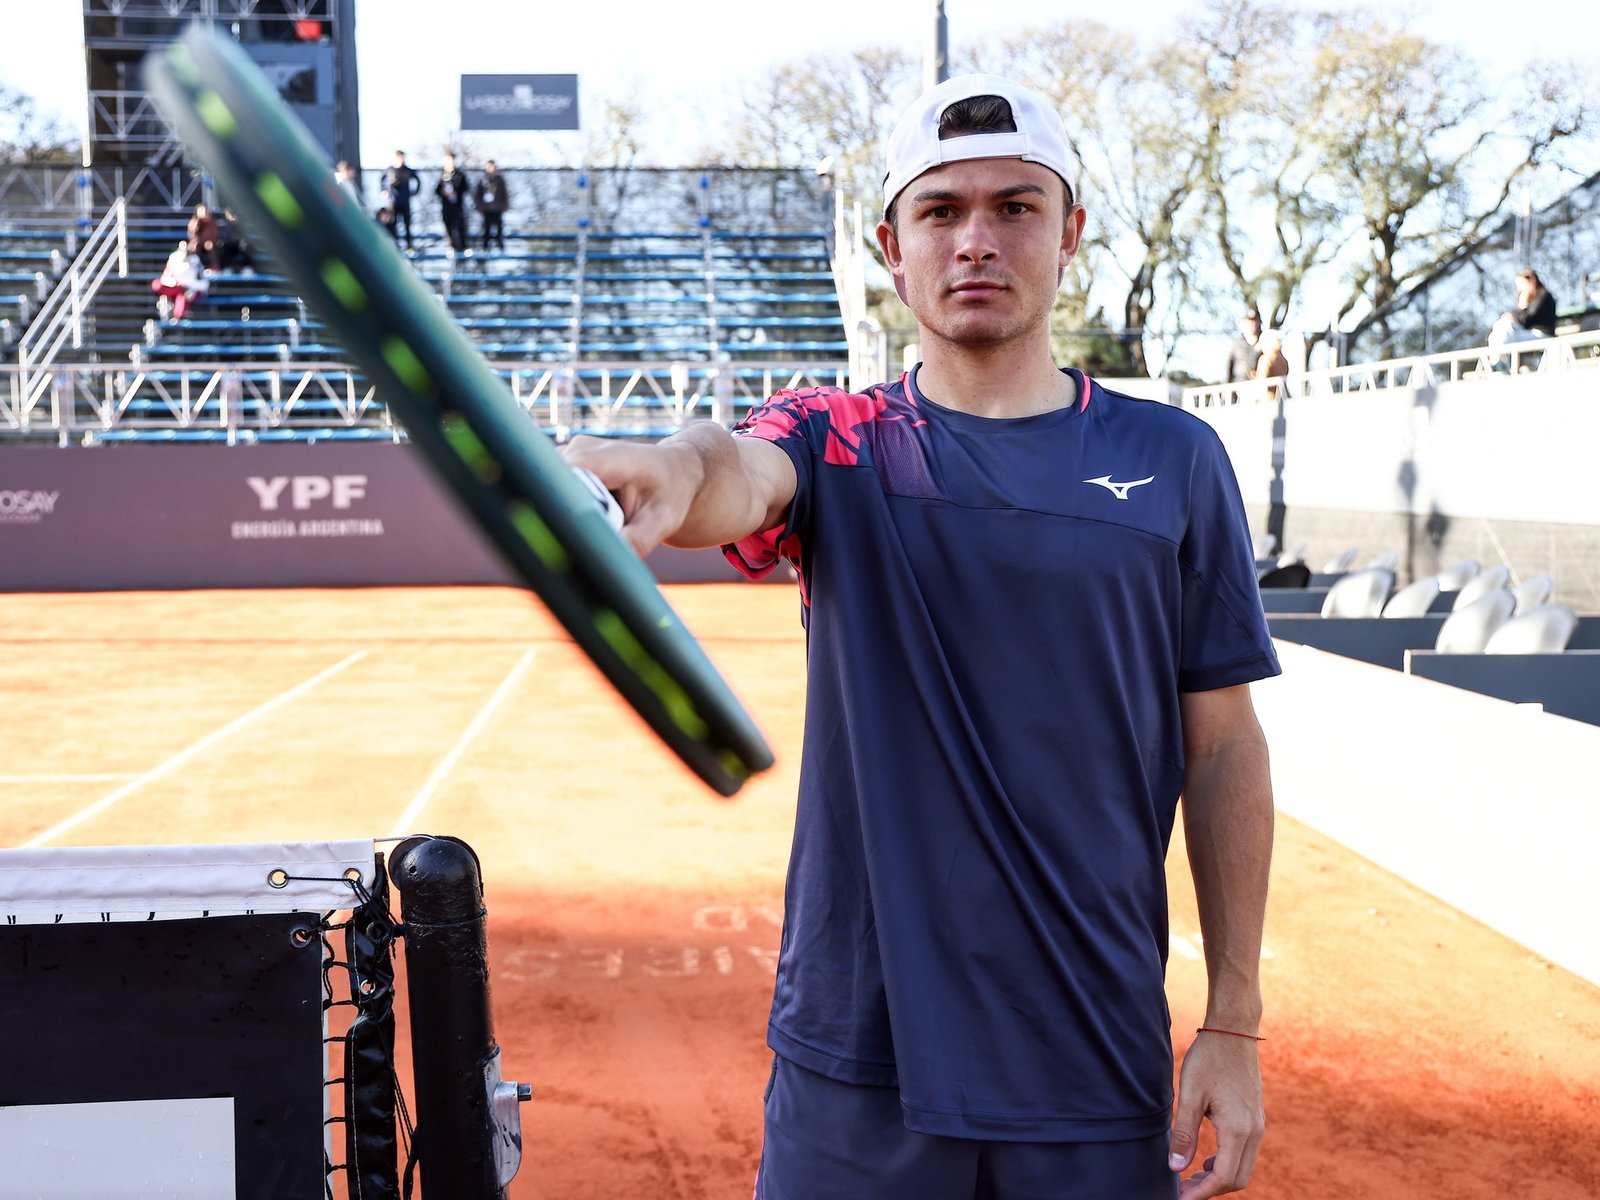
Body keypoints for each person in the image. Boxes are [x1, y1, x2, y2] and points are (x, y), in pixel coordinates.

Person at [563, 73, 1277, 1200]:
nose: (975, 240)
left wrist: (1232, 1023)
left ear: (1070, 232)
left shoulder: (1177, 459)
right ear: (893, 249)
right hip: (857, 1061)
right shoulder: (837, 440)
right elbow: (731, 470)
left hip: (1090, 1057)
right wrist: (665, 470)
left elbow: (1224, 744)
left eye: (1014, 207)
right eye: (940, 213)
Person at [1489, 267, 1558, 346]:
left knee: (1507, 335)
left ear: (1532, 280)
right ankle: (1496, 356)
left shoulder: (1543, 296)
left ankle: (1498, 357)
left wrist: (1522, 307)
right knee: (1501, 326)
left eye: (1520, 285)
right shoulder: (1530, 298)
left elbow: (1525, 320)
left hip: (1541, 335)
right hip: (1527, 333)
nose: (1519, 290)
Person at [149, 240, 207, 322]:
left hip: (191, 289)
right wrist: (173, 283)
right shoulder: (174, 258)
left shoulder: (195, 261)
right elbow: (165, 277)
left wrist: (189, 286)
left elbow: (203, 283)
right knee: (157, 284)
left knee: (184, 296)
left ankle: (177, 317)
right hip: (175, 286)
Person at [381, 150, 419, 250]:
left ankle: (409, 245)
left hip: (405, 201)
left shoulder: (408, 170)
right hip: (393, 201)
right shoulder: (389, 170)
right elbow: (382, 180)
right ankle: (395, 245)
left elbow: (418, 180)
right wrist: (384, 191)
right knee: (393, 224)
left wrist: (414, 192)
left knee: (407, 224)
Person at [436, 152, 470, 255]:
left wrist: (456, 192)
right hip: (446, 206)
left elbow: (466, 188)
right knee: (448, 226)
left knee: (460, 225)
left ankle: (464, 246)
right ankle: (451, 246)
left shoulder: (460, 175)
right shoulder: (442, 176)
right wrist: (444, 192)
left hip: (457, 206)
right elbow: (437, 191)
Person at [473, 159, 509, 252]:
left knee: (499, 227)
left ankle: (500, 245)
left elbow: (504, 193)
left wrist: (504, 205)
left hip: (497, 208)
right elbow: (478, 195)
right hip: (487, 209)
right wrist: (480, 206)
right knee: (486, 228)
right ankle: (485, 247)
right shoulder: (482, 179)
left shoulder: (499, 179)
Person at [1224, 309, 1262, 382]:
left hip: (1259, 384)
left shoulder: (1265, 342)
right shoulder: (1236, 344)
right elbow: (1229, 365)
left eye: (1254, 321)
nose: (1252, 325)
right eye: (1249, 322)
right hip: (1238, 384)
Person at [186, 202, 220, 273]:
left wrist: (207, 241)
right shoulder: (194, 222)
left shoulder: (211, 222)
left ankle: (214, 267)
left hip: (209, 243)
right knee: (193, 247)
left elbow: (213, 235)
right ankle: (193, 267)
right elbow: (192, 236)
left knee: (210, 246)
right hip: (197, 243)